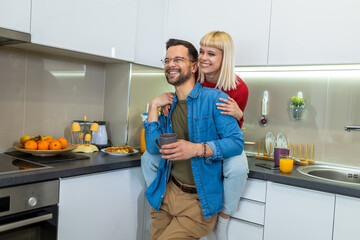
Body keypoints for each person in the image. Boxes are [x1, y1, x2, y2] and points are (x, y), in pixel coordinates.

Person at [142, 31, 249, 240]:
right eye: (167, 60)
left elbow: (235, 140)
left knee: (237, 167)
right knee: (148, 159)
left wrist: (196, 148)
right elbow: (153, 148)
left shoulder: (224, 95)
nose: (204, 57)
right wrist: (154, 106)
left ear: (193, 68)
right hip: (165, 196)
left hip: (197, 200)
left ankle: (223, 218)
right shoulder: (169, 104)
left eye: (178, 59)